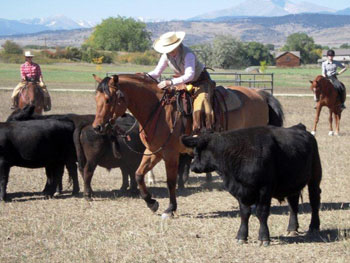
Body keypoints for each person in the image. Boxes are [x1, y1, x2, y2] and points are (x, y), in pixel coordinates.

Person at [148, 31, 215, 134]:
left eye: (171, 48)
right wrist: (144, 76)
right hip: (182, 83)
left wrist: (169, 82)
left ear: (177, 45)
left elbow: (190, 75)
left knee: (202, 101)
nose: (170, 51)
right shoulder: (166, 56)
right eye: (167, 49)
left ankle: (203, 131)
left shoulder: (188, 54)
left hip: (200, 81)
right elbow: (157, 72)